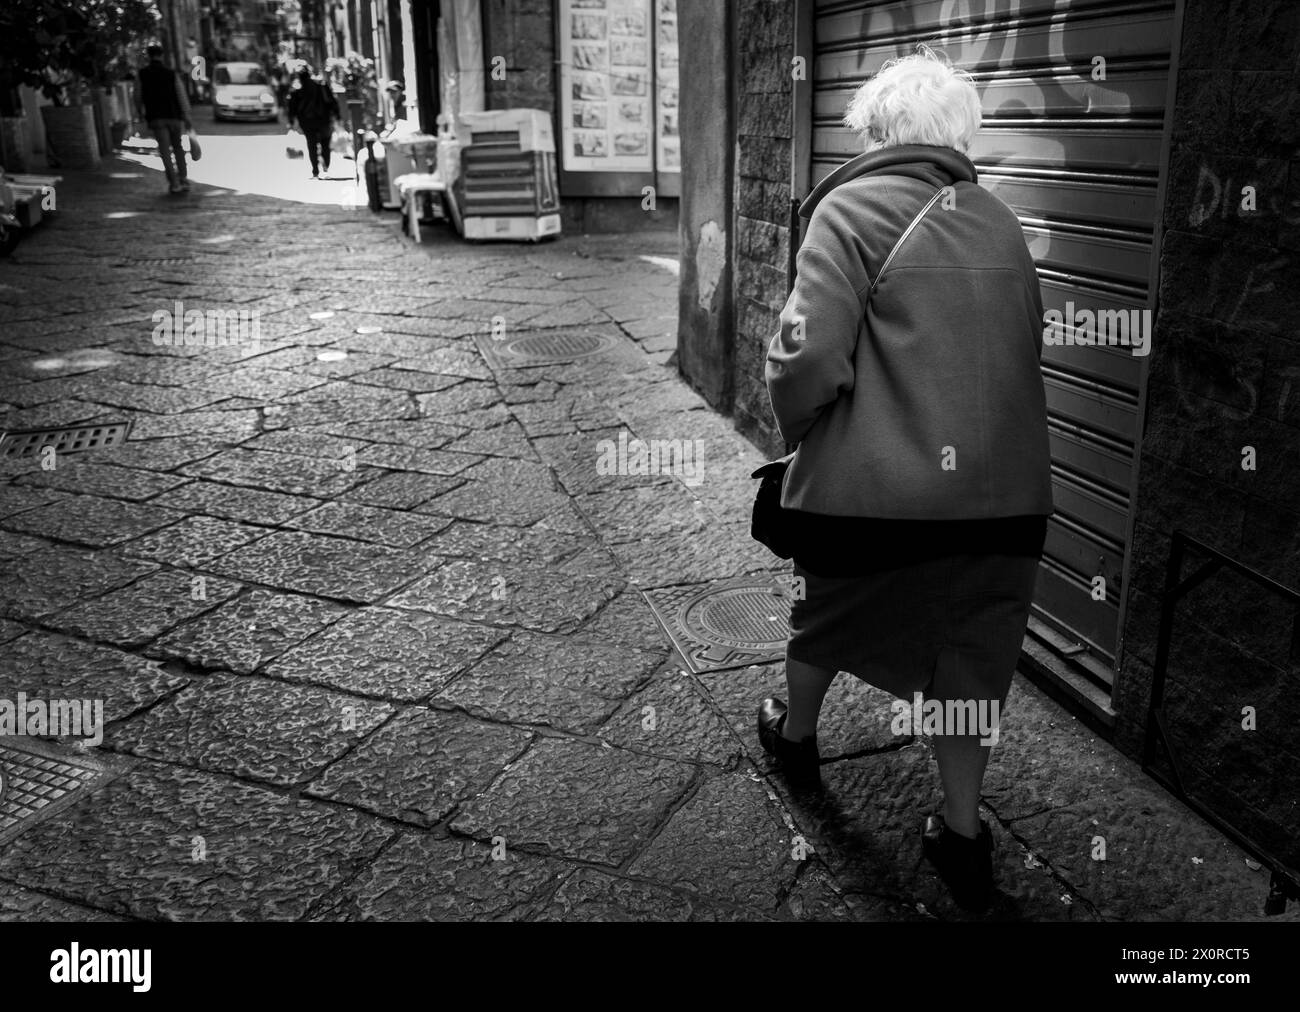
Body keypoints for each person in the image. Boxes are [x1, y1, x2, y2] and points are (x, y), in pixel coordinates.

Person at [759, 47, 1053, 913]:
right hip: (1004, 504)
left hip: (877, 500)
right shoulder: (1002, 224)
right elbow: (1021, 350)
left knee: (831, 608)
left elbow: (807, 354)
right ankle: (961, 834)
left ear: (877, 131)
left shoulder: (849, 208)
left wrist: (806, 429)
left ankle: (798, 736)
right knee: (975, 658)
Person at [136, 45, 193, 194]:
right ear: (161, 55)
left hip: (156, 117)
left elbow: (137, 95)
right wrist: (186, 115)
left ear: (148, 56)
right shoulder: (171, 73)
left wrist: (140, 112)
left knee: (165, 150)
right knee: (178, 148)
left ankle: (174, 183)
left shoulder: (142, 74)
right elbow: (181, 95)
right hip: (174, 116)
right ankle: (184, 179)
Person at [287, 67, 341, 179]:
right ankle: (326, 168)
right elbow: (332, 102)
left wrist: (291, 120)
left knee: (311, 145)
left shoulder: (298, 90)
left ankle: (315, 171)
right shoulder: (321, 86)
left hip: (307, 122)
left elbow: (292, 107)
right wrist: (337, 115)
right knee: (325, 144)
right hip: (324, 120)